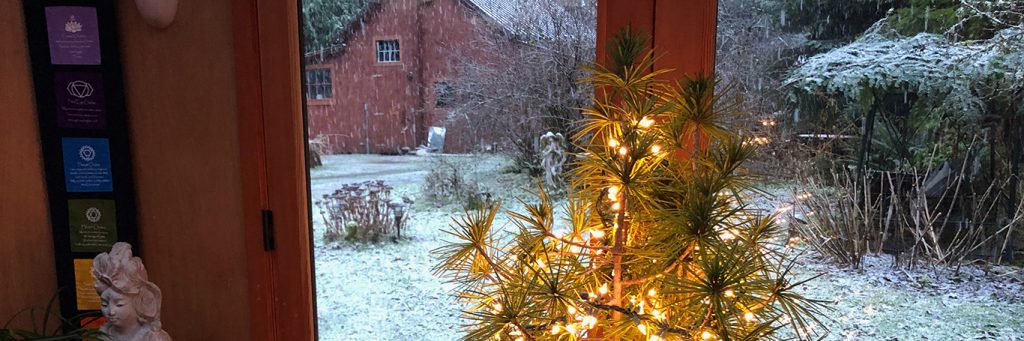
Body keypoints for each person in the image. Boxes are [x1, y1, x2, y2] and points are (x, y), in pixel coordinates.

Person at [92, 243, 172, 341]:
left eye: (119, 305)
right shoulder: (104, 334)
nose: (111, 312)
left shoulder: (152, 337)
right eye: (104, 304)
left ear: (138, 302)